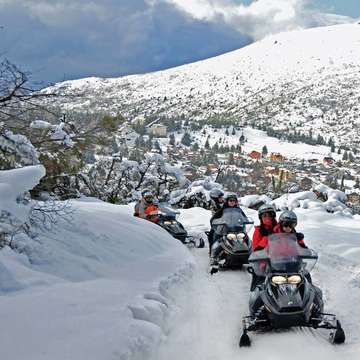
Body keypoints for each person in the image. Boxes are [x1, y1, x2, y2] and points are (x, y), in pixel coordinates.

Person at [209, 193, 247, 273]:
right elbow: (214, 218)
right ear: (227, 201)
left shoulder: (239, 210)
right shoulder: (223, 209)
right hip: (224, 229)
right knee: (216, 237)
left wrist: (246, 221)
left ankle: (248, 255)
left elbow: (244, 218)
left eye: (234, 200)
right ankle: (213, 257)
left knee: (246, 239)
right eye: (230, 200)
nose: (232, 202)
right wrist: (216, 223)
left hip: (237, 229)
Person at [250, 204, 277, 290]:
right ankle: (256, 296)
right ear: (260, 218)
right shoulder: (258, 231)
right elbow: (256, 250)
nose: (267, 217)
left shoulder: (279, 228)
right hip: (265, 261)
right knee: (259, 283)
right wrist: (262, 263)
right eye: (264, 216)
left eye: (269, 215)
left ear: (273, 216)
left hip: (281, 259)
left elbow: (289, 240)